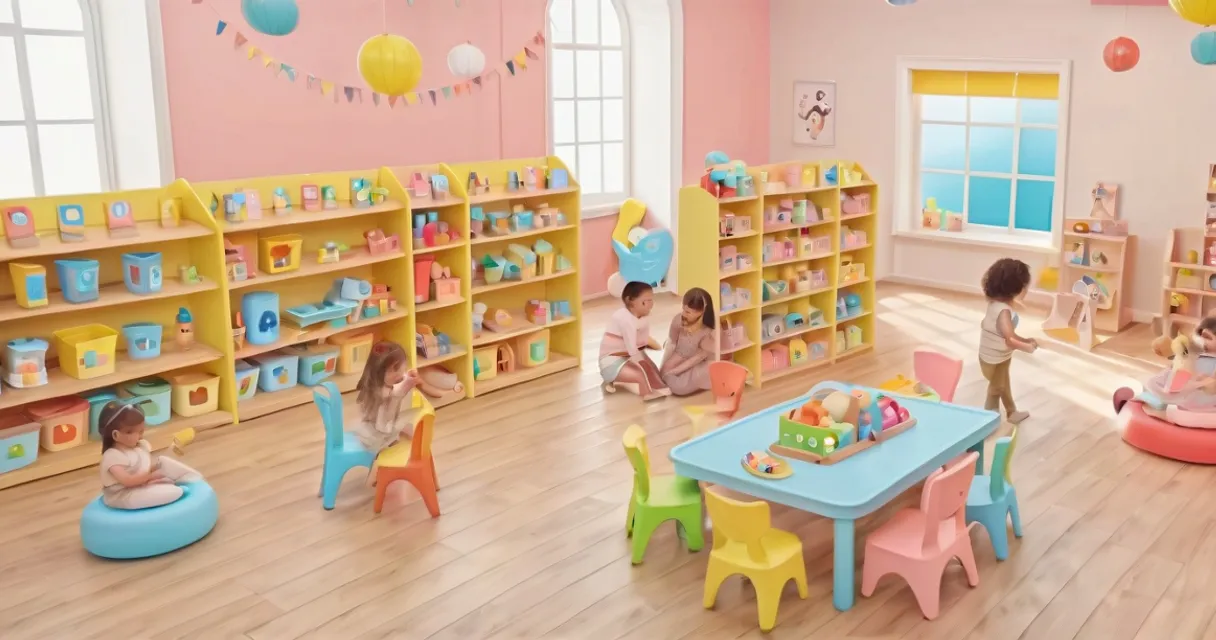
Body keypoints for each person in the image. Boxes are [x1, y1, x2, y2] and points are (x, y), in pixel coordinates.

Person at [99, 402, 204, 509]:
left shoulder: (139, 446)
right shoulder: (112, 456)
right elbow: (128, 481)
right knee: (173, 492)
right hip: (122, 495)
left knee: (163, 461)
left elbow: (145, 468)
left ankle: (191, 479)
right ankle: (176, 490)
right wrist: (150, 477)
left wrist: (156, 472)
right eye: (138, 432)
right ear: (116, 435)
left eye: (142, 431)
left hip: (139, 486)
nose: (141, 436)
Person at [979, 258, 1037, 424]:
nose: (1027, 289)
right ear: (1016, 288)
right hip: (994, 359)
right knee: (996, 388)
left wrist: (1026, 339)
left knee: (1004, 385)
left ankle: (1011, 412)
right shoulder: (1004, 311)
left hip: (999, 356)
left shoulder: (995, 304)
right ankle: (988, 418)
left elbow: (1007, 334)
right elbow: (1010, 339)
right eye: (1026, 286)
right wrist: (1028, 347)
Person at [600, 281, 670, 400]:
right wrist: (643, 367)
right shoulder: (625, 319)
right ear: (630, 301)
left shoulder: (643, 316)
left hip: (627, 355)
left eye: (651, 300)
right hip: (611, 361)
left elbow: (642, 344)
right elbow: (632, 348)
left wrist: (654, 375)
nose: (650, 305)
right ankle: (646, 393)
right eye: (645, 301)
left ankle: (625, 381)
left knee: (649, 366)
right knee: (639, 374)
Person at [354, 341, 423, 454]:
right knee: (407, 431)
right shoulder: (381, 393)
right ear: (379, 372)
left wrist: (409, 377)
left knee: (411, 426)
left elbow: (401, 378)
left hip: (378, 427)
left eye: (402, 368)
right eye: (394, 370)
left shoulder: (384, 382)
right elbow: (384, 425)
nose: (400, 374)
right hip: (374, 435)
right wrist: (396, 397)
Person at [661, 287, 716, 396]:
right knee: (663, 373)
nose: (684, 314)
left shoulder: (708, 332)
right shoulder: (678, 320)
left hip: (701, 362)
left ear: (701, 312)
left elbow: (697, 359)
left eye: (688, 312)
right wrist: (664, 367)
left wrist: (674, 371)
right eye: (683, 309)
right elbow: (672, 343)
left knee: (679, 386)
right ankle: (674, 380)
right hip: (681, 354)